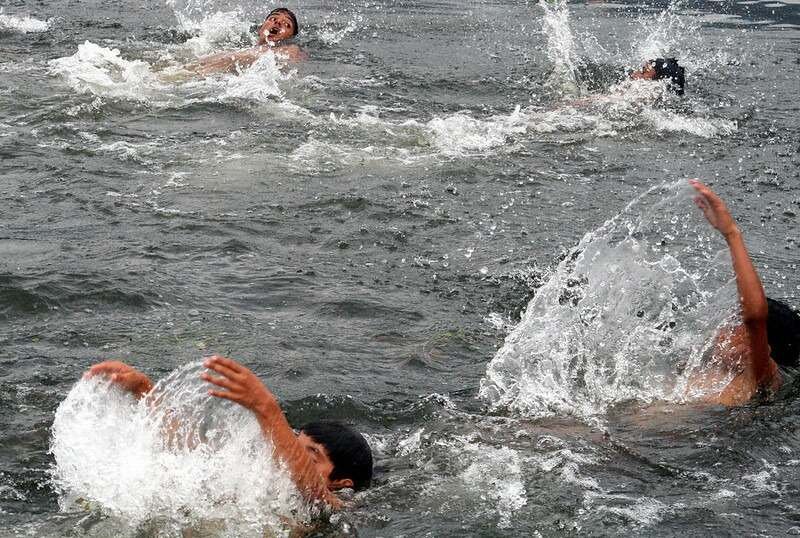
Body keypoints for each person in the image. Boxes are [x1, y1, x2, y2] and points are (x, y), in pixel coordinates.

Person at [84, 355, 373, 509]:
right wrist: (144, 390)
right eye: (294, 442)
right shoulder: (256, 475)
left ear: (341, 484)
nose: (288, 450)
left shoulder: (344, 508)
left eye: (310, 455)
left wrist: (266, 407)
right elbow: (190, 451)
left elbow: (314, 494)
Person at [688, 180, 800, 405]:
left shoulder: (756, 380)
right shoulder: (700, 366)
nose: (723, 328)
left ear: (761, 347)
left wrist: (732, 234)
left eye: (735, 323)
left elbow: (755, 316)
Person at [191, 7, 306, 75]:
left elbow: (292, 59)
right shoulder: (238, 48)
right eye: (273, 19)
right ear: (260, 29)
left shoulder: (291, 49)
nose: (278, 22)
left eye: (286, 24)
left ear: (291, 37)